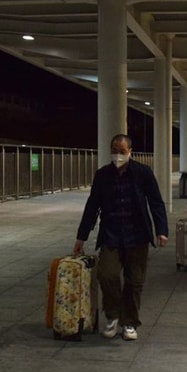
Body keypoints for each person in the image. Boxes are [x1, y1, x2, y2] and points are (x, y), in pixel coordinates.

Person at [74, 134, 168, 341]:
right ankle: (113, 315)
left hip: (137, 235)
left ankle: (130, 323)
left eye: (122, 151)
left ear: (130, 152)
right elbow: (92, 206)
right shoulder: (102, 175)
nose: (118, 155)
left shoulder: (143, 173)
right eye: (114, 151)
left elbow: (156, 202)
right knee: (107, 275)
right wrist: (81, 237)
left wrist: (162, 230)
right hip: (111, 235)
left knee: (134, 282)